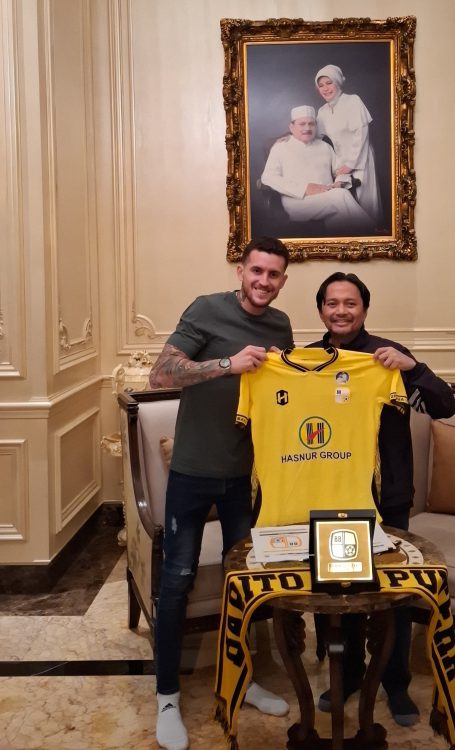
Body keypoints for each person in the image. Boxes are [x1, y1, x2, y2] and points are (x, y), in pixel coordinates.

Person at [148, 237, 294, 750]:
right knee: (177, 581)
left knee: (243, 583)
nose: (263, 281)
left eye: (273, 274)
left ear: (282, 280)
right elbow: (160, 374)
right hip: (191, 472)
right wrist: (226, 364)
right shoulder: (205, 309)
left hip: (245, 478)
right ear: (241, 271)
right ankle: (167, 697)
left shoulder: (281, 326)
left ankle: (242, 678)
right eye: (257, 271)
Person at [308, 271, 455, 727]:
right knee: (337, 592)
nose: (341, 311)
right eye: (332, 303)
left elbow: (444, 406)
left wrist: (413, 368)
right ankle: (349, 674)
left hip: (387, 495)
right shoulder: (306, 362)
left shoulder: (389, 358)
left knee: (393, 592)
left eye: (350, 303)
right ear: (321, 311)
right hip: (332, 495)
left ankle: (395, 682)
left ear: (365, 309)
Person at [260, 105, 373, 234]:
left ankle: (339, 243)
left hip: (328, 195)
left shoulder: (325, 147)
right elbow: (268, 177)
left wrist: (339, 182)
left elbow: (339, 170)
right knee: (340, 196)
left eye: (311, 124)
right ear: (291, 127)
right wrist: (305, 189)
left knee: (339, 216)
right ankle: (373, 234)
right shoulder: (280, 147)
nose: (307, 128)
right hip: (297, 202)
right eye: (302, 124)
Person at [315, 64, 383, 227]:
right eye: (321, 85)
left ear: (337, 82)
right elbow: (314, 136)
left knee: (365, 202)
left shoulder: (353, 101)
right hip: (339, 162)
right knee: (345, 206)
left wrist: (351, 164)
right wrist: (287, 138)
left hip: (360, 157)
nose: (325, 89)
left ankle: (373, 236)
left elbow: (361, 135)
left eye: (329, 83)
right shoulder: (322, 111)